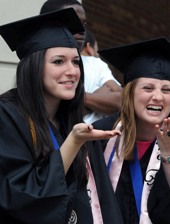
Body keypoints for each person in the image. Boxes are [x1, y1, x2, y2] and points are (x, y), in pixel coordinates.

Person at [0, 8, 123, 224]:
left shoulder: (72, 119)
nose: (72, 71)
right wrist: (73, 142)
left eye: (76, 62)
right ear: (34, 66)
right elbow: (22, 197)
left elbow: (100, 200)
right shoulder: (7, 115)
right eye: (58, 62)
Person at [92, 37, 170, 224]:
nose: (158, 97)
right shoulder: (102, 135)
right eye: (148, 88)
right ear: (130, 92)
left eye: (166, 90)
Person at [40, 0, 122, 124]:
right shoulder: (41, 63)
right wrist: (96, 97)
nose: (82, 30)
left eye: (84, 24)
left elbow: (120, 100)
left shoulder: (94, 64)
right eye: (74, 22)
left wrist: (79, 98)